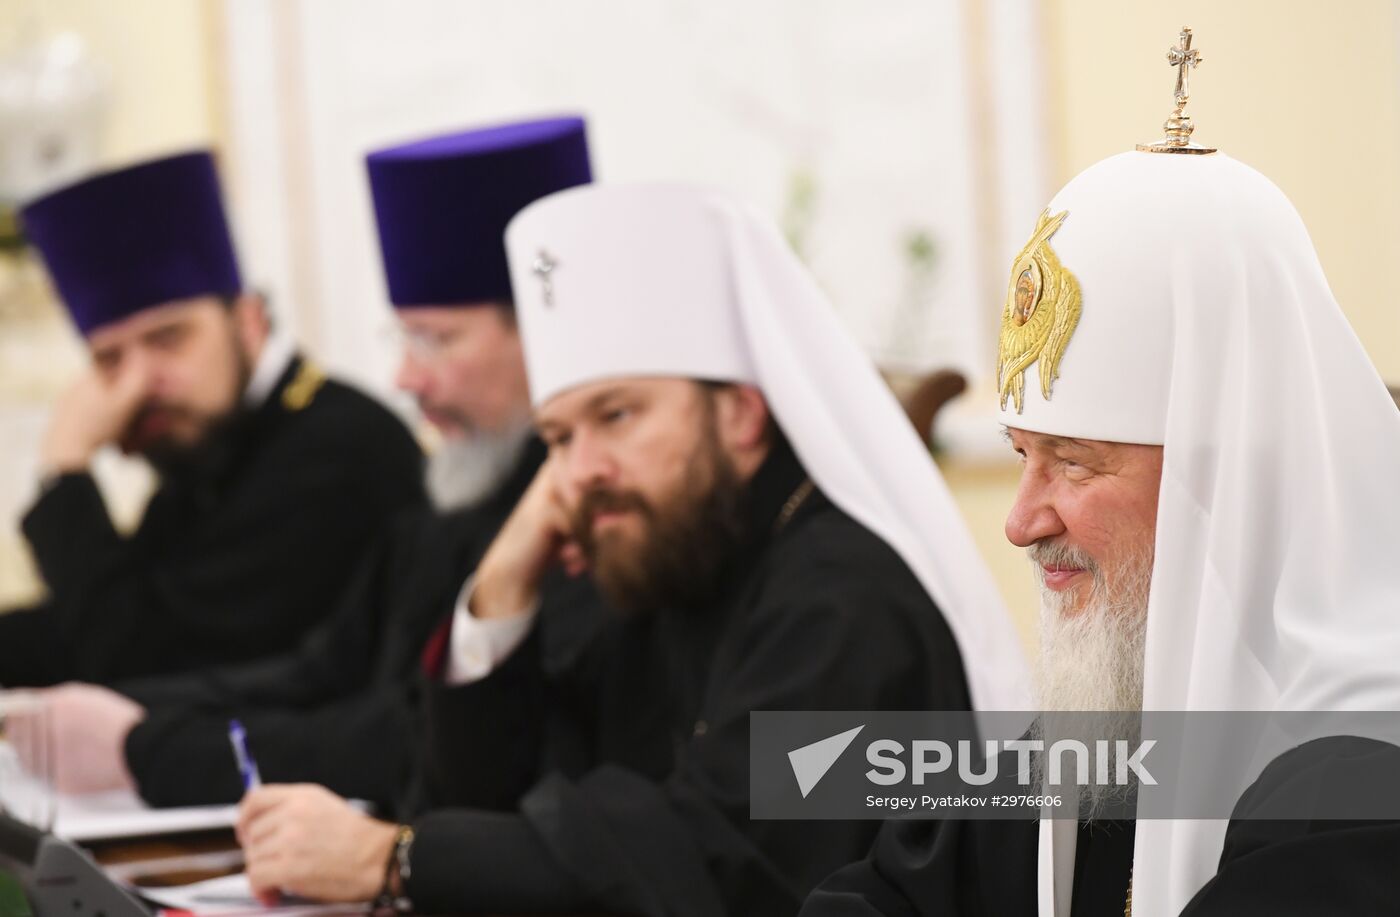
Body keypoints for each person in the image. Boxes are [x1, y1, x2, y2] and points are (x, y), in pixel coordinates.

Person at [231, 183, 1030, 916]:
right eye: (557, 437)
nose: (580, 471)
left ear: (741, 415)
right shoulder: (670, 555)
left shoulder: (847, 598)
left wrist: (395, 859)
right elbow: (494, 801)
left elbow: (724, 861)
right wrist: (503, 584)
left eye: (616, 416)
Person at [800, 49, 1400, 917]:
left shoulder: (1360, 780)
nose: (1020, 522)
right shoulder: (1110, 716)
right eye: (1020, 455)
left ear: (1225, 477)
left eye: (1073, 461)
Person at [7, 119, 599, 811]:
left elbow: (409, 740)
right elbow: (327, 672)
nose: (404, 378)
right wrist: (115, 722)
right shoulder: (462, 496)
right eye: (403, 338)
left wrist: (146, 748)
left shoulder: (597, 523)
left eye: (435, 340)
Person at [0, 151, 425, 687]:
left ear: (248, 321)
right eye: (110, 360)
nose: (140, 383)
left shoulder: (341, 448)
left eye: (168, 338)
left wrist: (65, 468)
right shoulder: (211, 452)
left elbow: (138, 664)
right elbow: (87, 629)